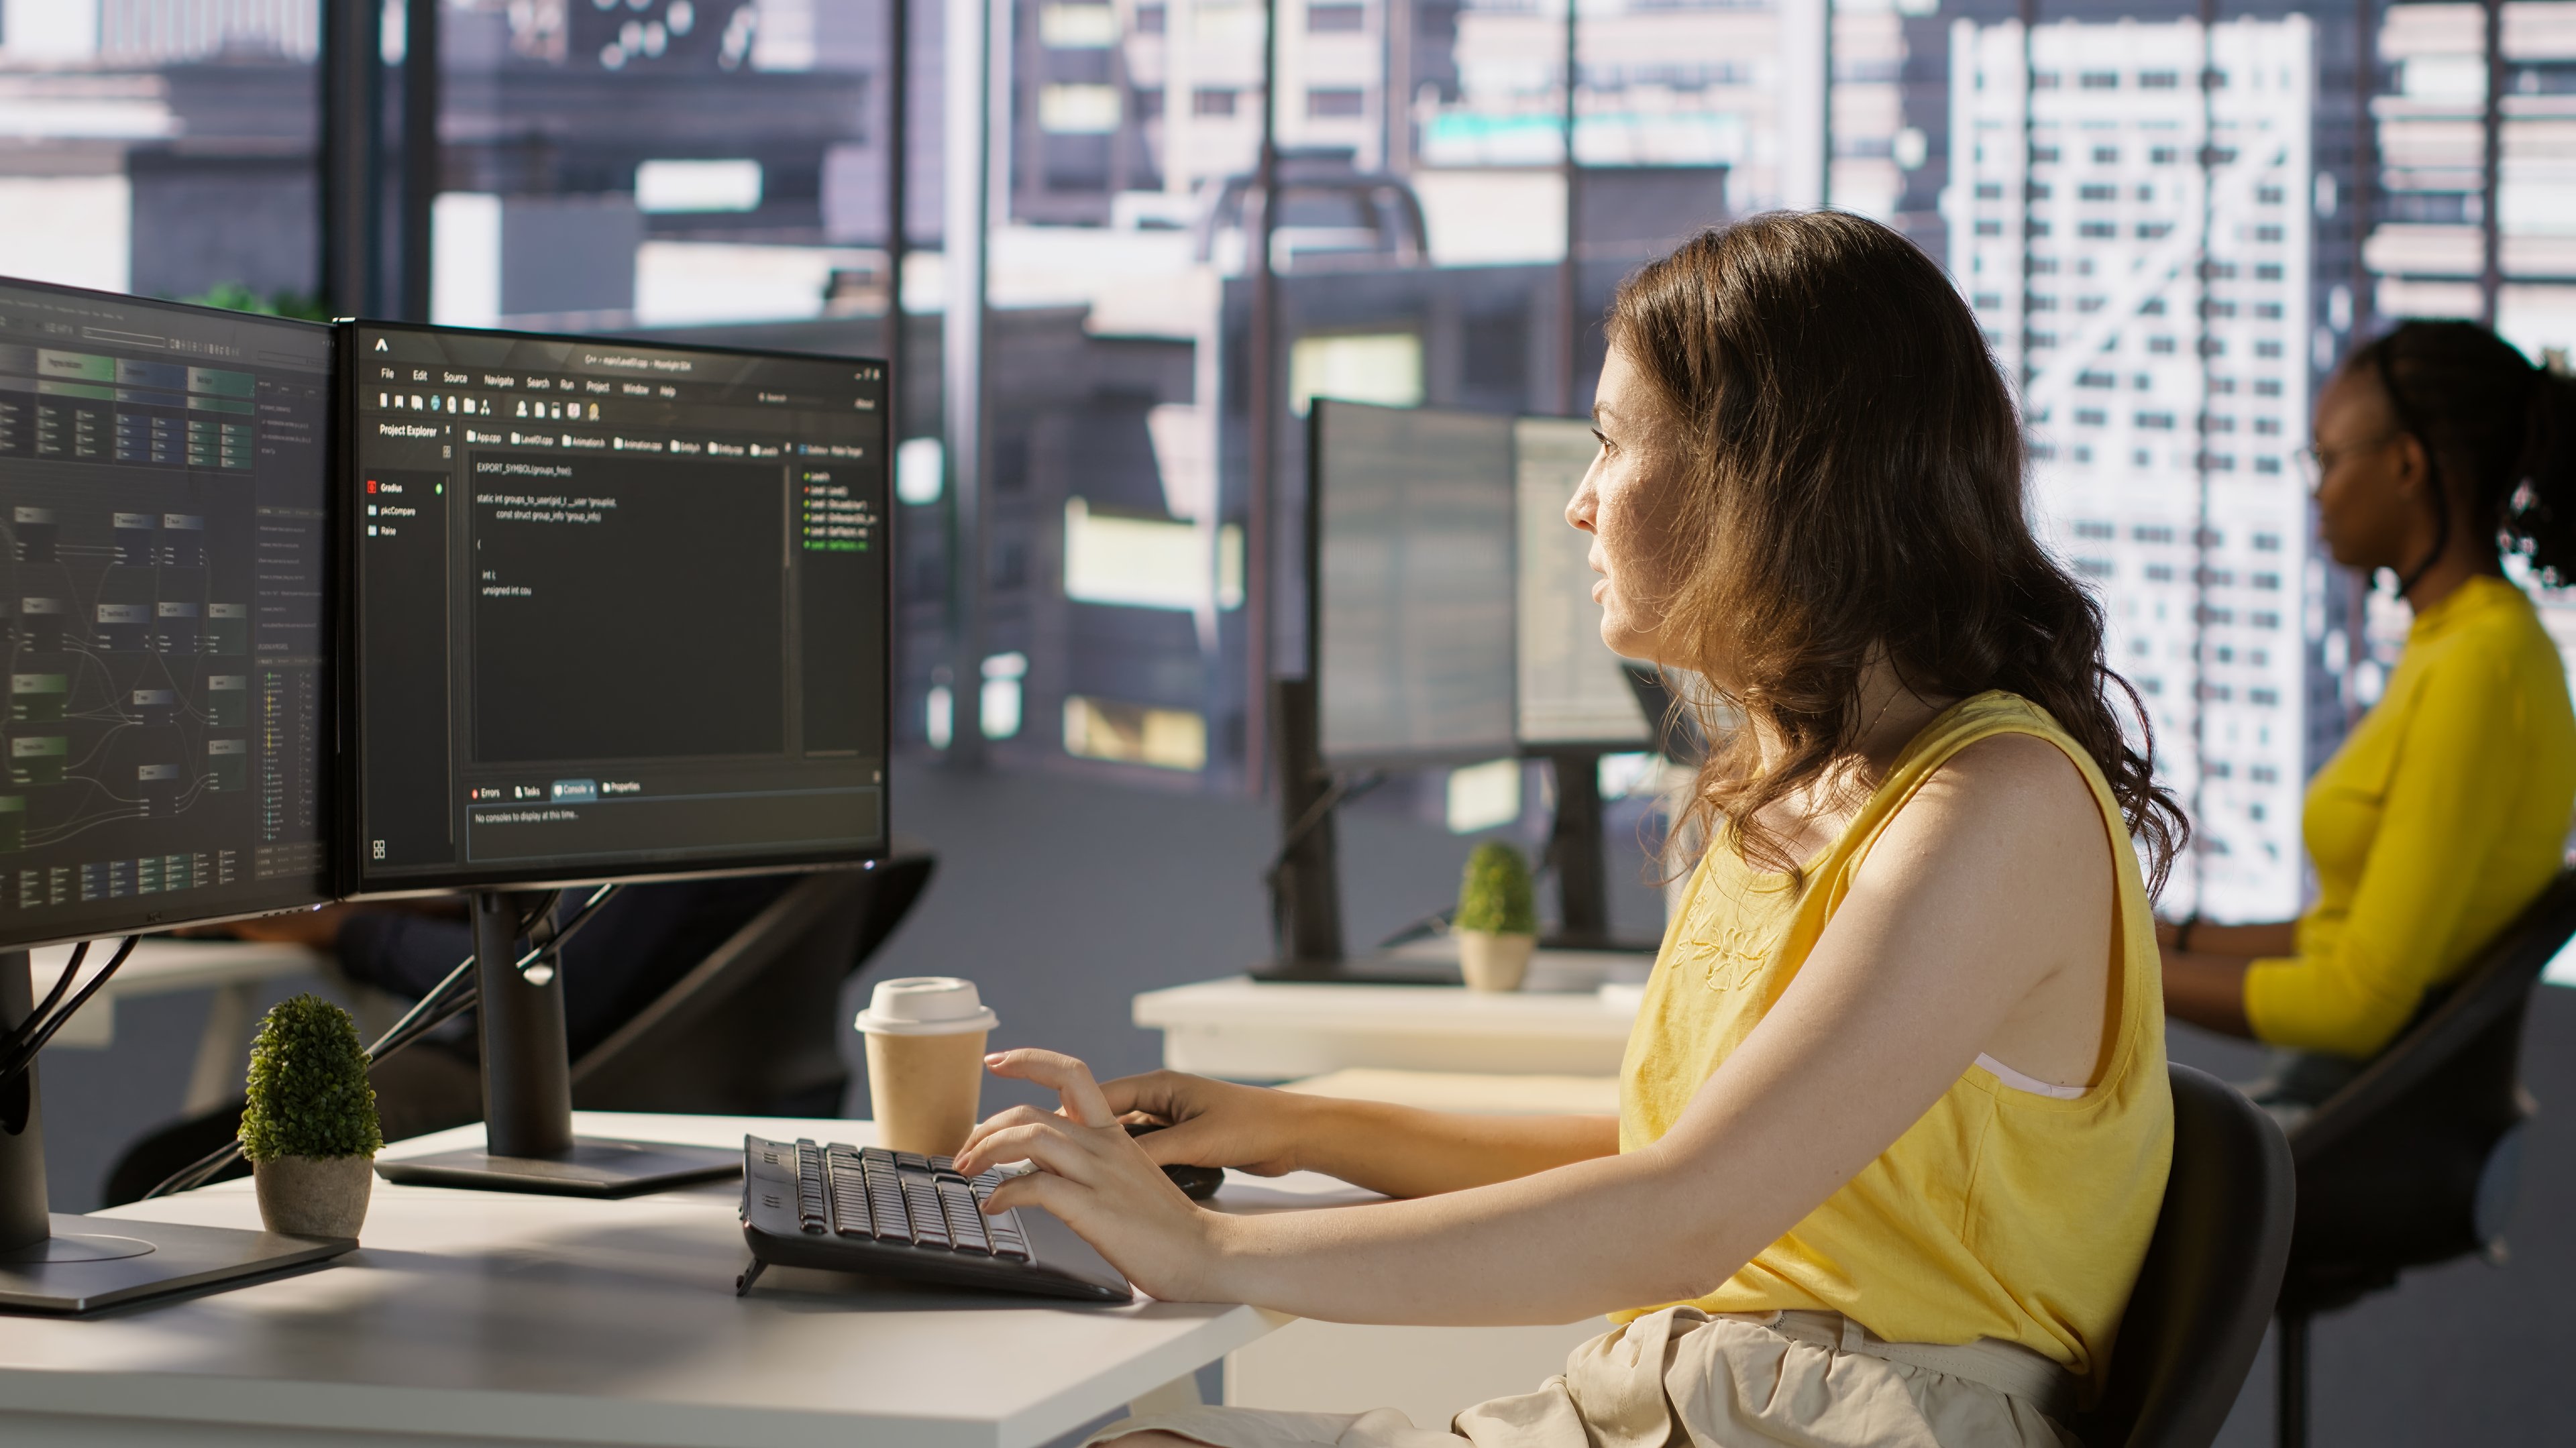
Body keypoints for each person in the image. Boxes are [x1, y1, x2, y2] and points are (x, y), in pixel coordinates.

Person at [953, 212, 2184, 1448]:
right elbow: (1687, 1148)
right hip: (1695, 1400)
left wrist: (1211, 1245)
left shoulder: (1995, 806)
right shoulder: (1795, 787)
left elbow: (1684, 1210)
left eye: (1611, 443)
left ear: (1768, 481)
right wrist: (1292, 1124)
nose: (1580, 504)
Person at [2159, 321, 2576, 1103]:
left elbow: (2359, 1000)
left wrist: (2111, 972)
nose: (2316, 488)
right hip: (2341, 1099)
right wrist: (2156, 935)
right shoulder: (2454, 642)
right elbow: (2341, 932)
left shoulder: (2482, 666)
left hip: (2354, 1120)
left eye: (2327, 458)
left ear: (2407, 464)